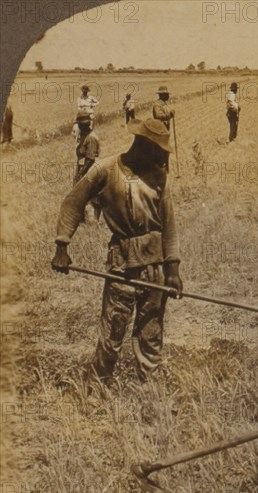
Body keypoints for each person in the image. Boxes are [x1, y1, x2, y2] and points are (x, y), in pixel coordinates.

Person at [51, 118, 183, 388]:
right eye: (156, 150)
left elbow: (169, 225)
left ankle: (150, 392)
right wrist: (62, 245)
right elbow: (73, 203)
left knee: (151, 333)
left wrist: (173, 271)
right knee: (112, 330)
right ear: (142, 144)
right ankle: (97, 389)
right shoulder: (105, 169)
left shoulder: (159, 177)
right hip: (122, 264)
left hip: (154, 266)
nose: (161, 157)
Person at [73, 112, 100, 184]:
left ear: (83, 125)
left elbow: (90, 160)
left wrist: (80, 174)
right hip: (82, 168)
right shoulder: (83, 135)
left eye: (79, 124)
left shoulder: (91, 138)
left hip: (89, 170)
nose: (78, 126)